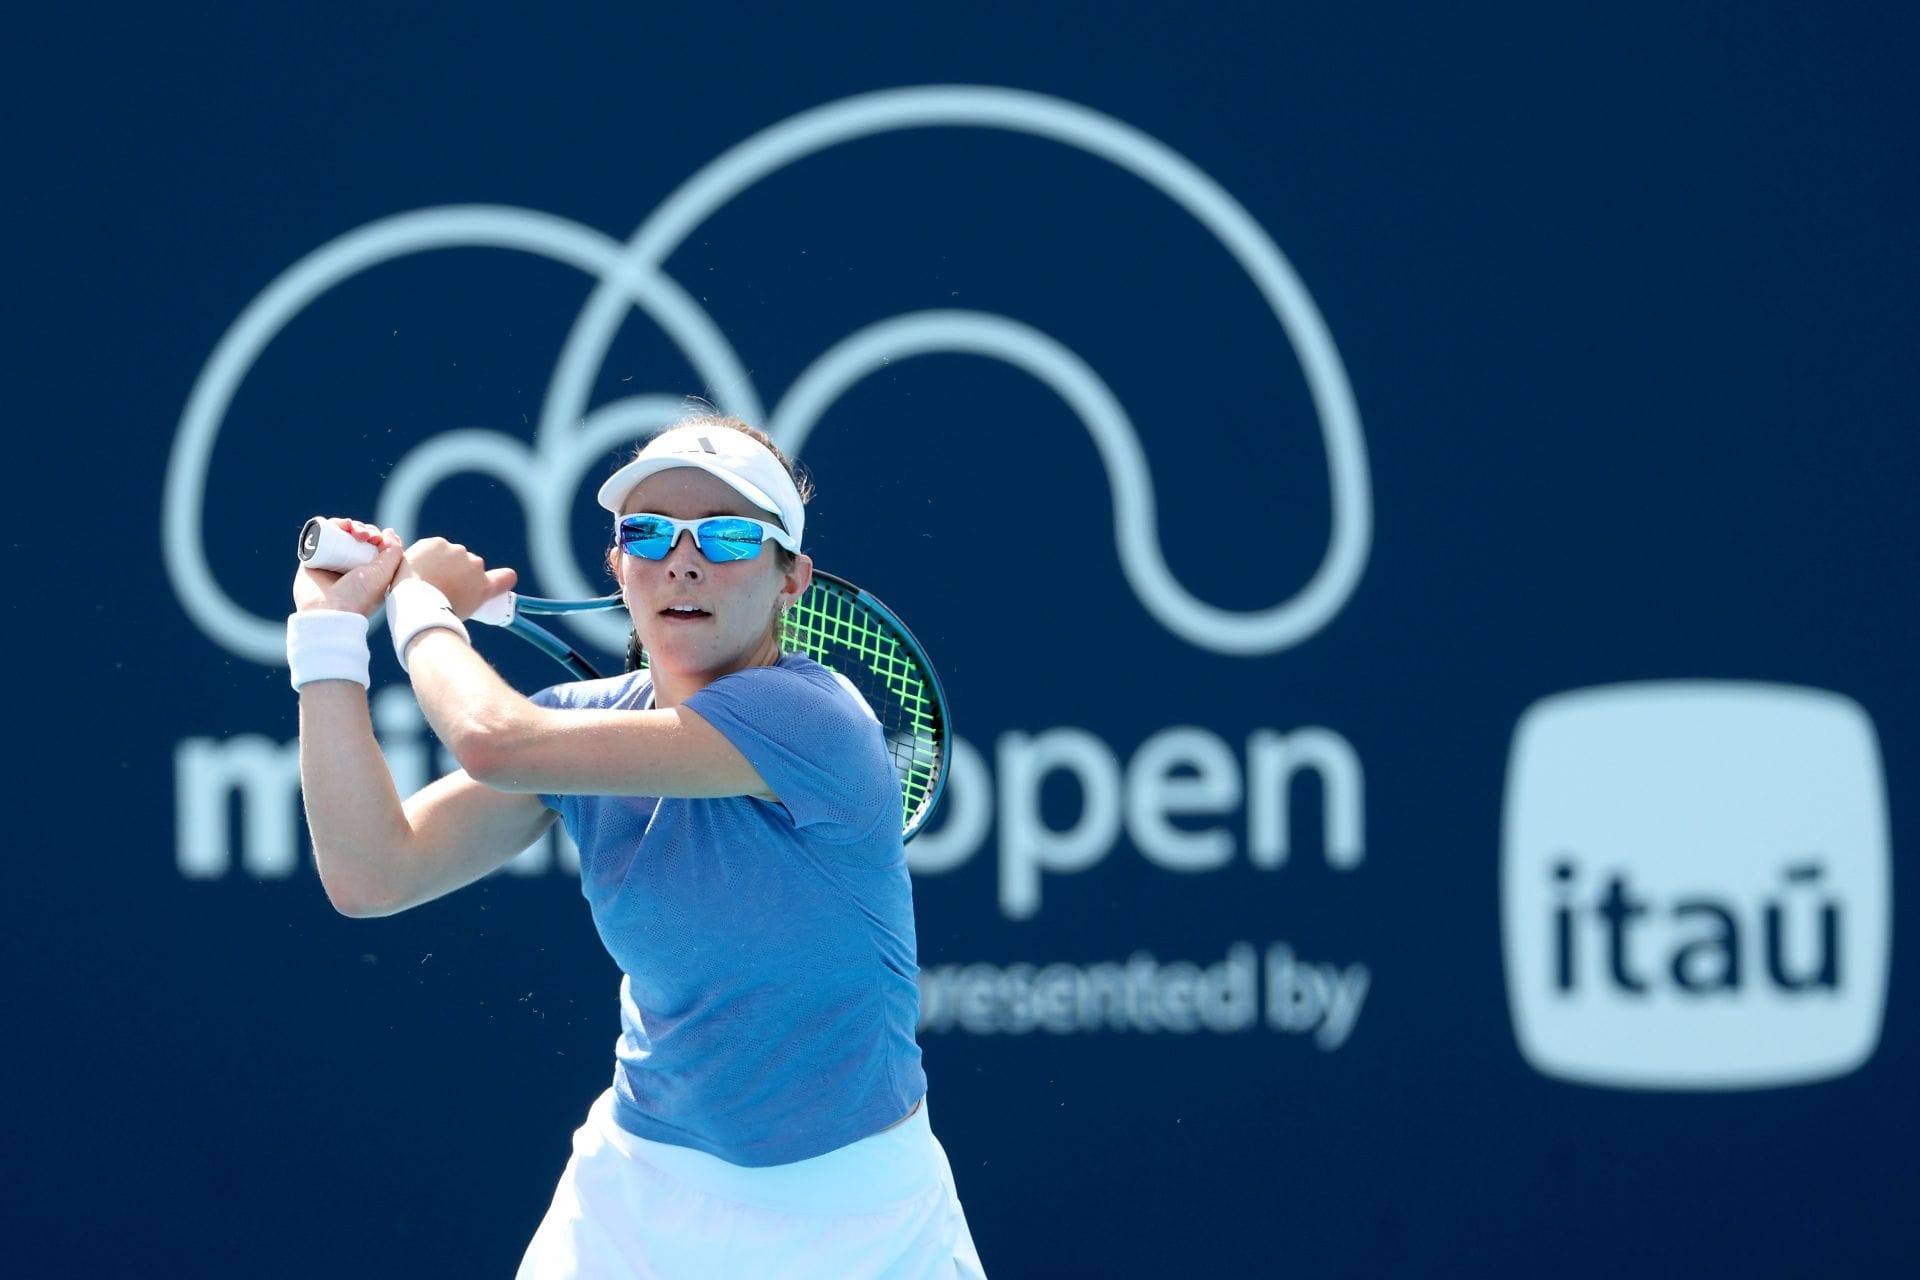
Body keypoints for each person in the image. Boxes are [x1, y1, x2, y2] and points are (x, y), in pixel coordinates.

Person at [287, 416, 985, 1278]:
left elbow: (493, 739)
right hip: (633, 1196)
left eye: (729, 536)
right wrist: (324, 638)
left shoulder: (818, 719)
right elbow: (371, 873)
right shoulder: (585, 724)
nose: (682, 560)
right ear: (618, 567)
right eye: (647, 533)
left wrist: (423, 610)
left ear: (790, 580)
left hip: (855, 1223)